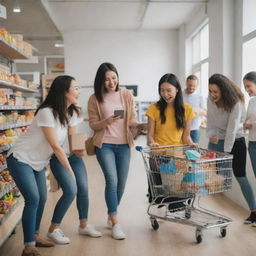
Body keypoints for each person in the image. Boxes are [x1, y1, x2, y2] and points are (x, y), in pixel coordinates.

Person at [6, 75, 80, 256]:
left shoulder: (67, 113)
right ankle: (29, 246)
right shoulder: (47, 112)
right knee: (33, 198)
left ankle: (35, 235)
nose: (78, 92)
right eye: (75, 88)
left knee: (42, 198)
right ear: (64, 92)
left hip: (38, 163)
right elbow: (55, 146)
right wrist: (70, 171)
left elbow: (68, 142)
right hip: (20, 158)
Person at [87, 62, 143, 240]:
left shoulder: (126, 94)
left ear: (117, 77)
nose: (111, 82)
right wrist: (107, 121)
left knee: (121, 184)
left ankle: (111, 214)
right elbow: (93, 124)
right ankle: (116, 221)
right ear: (101, 81)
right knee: (111, 180)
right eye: (107, 79)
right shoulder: (94, 98)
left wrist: (141, 125)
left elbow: (132, 118)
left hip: (124, 144)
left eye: (113, 78)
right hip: (105, 145)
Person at [207, 73, 256, 225]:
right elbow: (211, 120)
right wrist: (212, 134)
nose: (212, 94)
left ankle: (254, 212)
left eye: (215, 92)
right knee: (211, 177)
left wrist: (226, 151)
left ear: (224, 90)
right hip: (217, 140)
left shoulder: (236, 102)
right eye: (210, 91)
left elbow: (232, 130)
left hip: (236, 142)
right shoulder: (210, 99)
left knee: (240, 176)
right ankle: (213, 212)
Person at [146, 73, 195, 207]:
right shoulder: (154, 109)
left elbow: (186, 136)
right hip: (159, 156)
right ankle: (172, 203)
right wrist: (152, 143)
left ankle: (173, 203)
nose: (165, 94)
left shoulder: (187, 110)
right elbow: (149, 135)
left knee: (175, 189)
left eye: (169, 90)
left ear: (177, 90)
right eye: (162, 90)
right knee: (164, 191)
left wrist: (191, 144)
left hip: (177, 156)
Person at [243, 71, 256, 226]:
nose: (247, 90)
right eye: (245, 87)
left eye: (249, 86)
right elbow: (248, 119)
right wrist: (246, 124)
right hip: (252, 143)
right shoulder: (251, 101)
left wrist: (251, 124)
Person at [183, 75, 207, 143]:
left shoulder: (200, 96)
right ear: (186, 83)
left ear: (197, 85)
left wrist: (196, 110)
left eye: (194, 86)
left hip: (194, 129)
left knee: (193, 151)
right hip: (181, 128)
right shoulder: (180, 95)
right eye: (189, 85)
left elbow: (205, 112)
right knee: (181, 151)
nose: (191, 87)